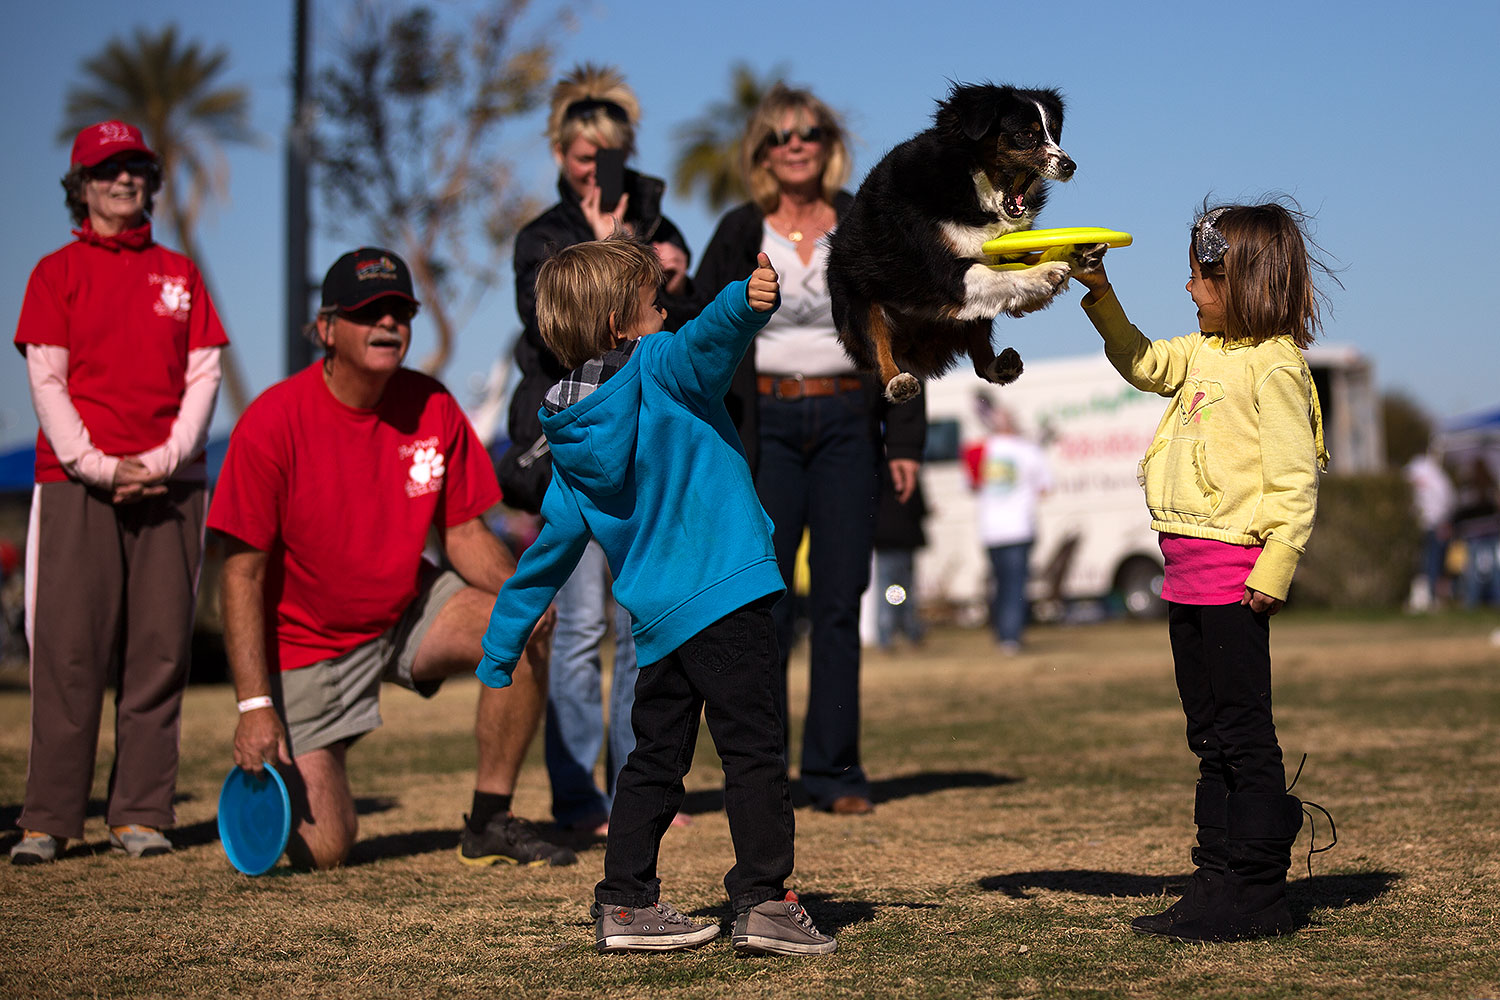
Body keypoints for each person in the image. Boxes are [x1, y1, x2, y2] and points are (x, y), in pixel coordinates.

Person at [478, 237, 835, 956]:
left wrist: (500, 647)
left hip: (662, 624)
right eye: (652, 298)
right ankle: (764, 901)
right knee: (754, 753)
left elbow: (546, 555)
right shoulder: (659, 364)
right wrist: (744, 299)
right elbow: (706, 342)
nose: (664, 306)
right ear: (620, 323)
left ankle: (626, 903)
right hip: (730, 595)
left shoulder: (570, 437)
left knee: (652, 759)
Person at [209, 247, 571, 871]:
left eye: (400, 311)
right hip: (307, 645)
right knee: (325, 849)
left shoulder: (433, 406)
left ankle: (489, 821)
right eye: (367, 312)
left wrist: (525, 593)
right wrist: (253, 706)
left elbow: (462, 532)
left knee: (525, 622)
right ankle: (301, 747)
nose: (388, 324)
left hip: (406, 611)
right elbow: (240, 574)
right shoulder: (272, 422)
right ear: (325, 328)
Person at [1071, 201, 1331, 942]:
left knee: (1244, 735)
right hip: (1184, 575)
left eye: (1199, 277)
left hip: (1234, 581)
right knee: (1207, 735)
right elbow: (1142, 361)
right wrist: (1099, 291)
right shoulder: (1203, 353)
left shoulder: (1275, 366)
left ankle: (1256, 891)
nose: (1189, 290)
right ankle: (1216, 874)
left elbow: (1294, 481)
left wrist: (1275, 569)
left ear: (1241, 279)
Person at [693, 83, 926, 816]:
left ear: (829, 145)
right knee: (765, 604)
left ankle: (834, 772)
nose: (796, 145)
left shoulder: (864, 220)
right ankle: (763, 774)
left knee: (837, 599)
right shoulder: (738, 230)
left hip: (848, 430)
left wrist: (906, 437)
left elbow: (909, 330)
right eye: (780, 136)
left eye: (811, 133)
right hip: (767, 430)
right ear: (761, 152)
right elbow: (699, 329)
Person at [11, 121, 227, 865]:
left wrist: (165, 457)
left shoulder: (181, 272)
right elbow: (47, 379)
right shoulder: (55, 272)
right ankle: (48, 819)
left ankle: (140, 812)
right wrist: (100, 466)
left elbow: (204, 373)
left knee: (160, 650)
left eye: (136, 167)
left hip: (173, 482)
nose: (125, 180)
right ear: (81, 185)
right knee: (67, 653)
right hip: (77, 484)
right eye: (108, 170)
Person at [502, 64, 696, 833]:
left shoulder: (659, 219)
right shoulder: (542, 236)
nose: (595, 167)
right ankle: (578, 796)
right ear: (559, 151)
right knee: (579, 625)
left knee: (637, 624)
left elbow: (677, 320)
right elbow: (548, 327)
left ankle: (636, 786)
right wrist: (608, 251)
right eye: (584, 154)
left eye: (608, 153)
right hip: (573, 443)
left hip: (644, 437)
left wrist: (657, 264)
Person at [964, 396, 1052, 653]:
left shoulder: (979, 450)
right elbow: (1045, 488)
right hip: (1018, 527)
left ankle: (1004, 633)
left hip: (991, 529)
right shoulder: (1027, 449)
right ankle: (1010, 637)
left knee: (1001, 584)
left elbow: (971, 486)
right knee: (1014, 585)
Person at [873, 465, 928, 650]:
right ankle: (910, 630)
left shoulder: (874, 474)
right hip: (905, 539)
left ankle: (885, 634)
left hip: (883, 540)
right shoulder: (907, 471)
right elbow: (919, 507)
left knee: (887, 589)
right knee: (905, 590)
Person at [1402, 448, 1454, 610]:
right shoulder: (1437, 476)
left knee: (1426, 560)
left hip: (1425, 523)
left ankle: (1425, 596)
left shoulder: (1417, 470)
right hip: (1430, 523)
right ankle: (1427, 596)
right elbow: (1448, 499)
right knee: (1431, 561)